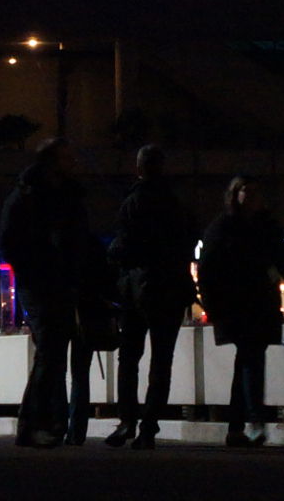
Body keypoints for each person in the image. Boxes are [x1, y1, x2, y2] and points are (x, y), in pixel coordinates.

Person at [198, 175, 284, 448]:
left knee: (246, 360)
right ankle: (253, 420)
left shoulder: (234, 227)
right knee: (251, 358)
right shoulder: (236, 227)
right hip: (242, 304)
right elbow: (208, 270)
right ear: (236, 195)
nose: (252, 197)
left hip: (251, 304)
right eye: (246, 191)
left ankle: (238, 426)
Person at [0, 137, 104, 448]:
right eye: (66, 159)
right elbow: (12, 244)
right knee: (49, 350)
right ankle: (33, 423)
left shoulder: (62, 197)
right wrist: (39, 270)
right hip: (42, 284)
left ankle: (45, 423)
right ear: (51, 163)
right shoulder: (30, 198)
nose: (73, 164)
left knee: (53, 353)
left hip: (59, 284)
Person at [104, 144, 199, 450]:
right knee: (162, 360)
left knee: (129, 357)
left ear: (139, 168)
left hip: (137, 289)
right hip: (170, 289)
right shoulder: (177, 203)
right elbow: (187, 241)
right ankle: (149, 425)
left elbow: (122, 247)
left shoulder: (133, 202)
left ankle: (127, 421)